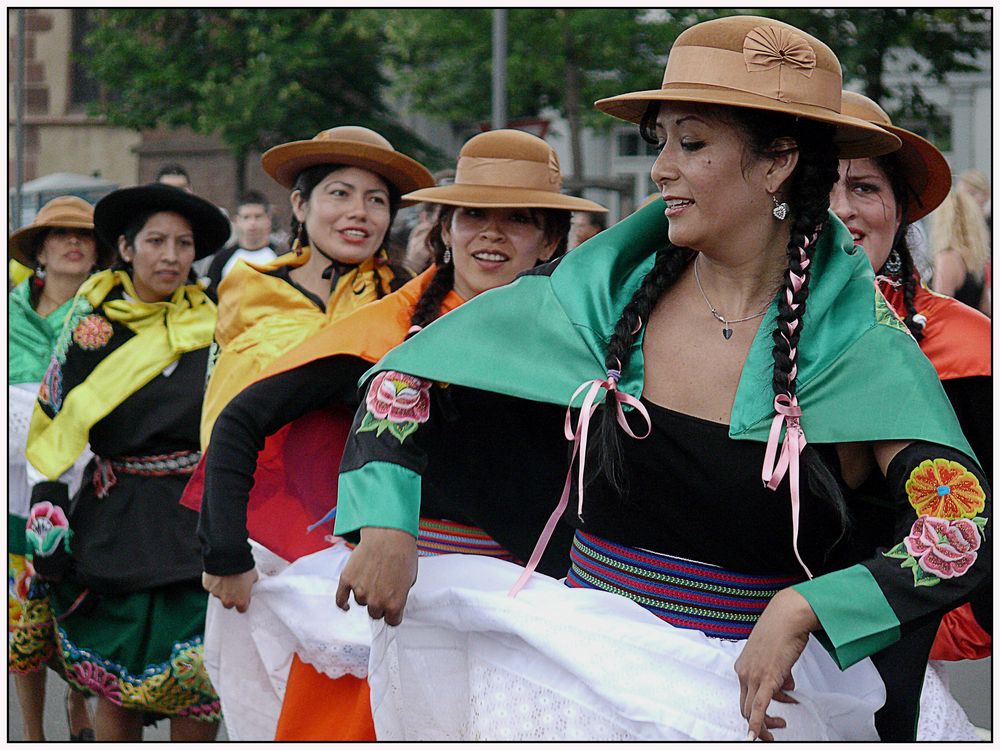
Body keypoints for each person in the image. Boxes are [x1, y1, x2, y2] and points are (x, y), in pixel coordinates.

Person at [333, 16, 989, 741]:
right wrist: (385, 517)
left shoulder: (860, 346)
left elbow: (958, 527)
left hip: (761, 700)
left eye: (693, 142)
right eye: (663, 141)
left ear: (776, 164)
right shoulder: (600, 293)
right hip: (575, 677)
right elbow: (404, 375)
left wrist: (812, 608)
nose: (660, 168)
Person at [194, 129, 606, 740]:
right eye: (472, 216)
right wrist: (223, 549)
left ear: (550, 238)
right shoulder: (386, 329)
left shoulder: (584, 341)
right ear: (445, 228)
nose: (490, 233)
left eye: (517, 219)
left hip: (526, 610)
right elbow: (241, 420)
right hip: (391, 603)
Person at [23, 183, 229, 741]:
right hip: (116, 518)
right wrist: (49, 508)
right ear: (126, 247)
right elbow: (57, 417)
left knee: (199, 684)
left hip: (196, 519)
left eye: (183, 244)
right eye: (156, 241)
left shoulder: (217, 325)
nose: (171, 255)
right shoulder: (91, 329)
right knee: (117, 684)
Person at [832, 90, 991, 739]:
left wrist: (903, 633)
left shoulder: (966, 347)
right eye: (820, 185)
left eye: (865, 187)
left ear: (900, 209)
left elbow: (974, 539)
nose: (842, 208)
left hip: (899, 662)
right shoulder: (719, 334)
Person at [191, 126, 433, 456]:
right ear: (300, 205)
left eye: (376, 199)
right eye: (340, 194)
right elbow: (220, 398)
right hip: (256, 488)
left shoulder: (407, 298)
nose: (359, 212)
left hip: (366, 492)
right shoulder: (247, 288)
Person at [8, 196, 112, 741]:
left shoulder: (110, 315)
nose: (74, 243)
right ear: (40, 249)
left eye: (85, 235)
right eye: (61, 235)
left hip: (90, 502)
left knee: (81, 621)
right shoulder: (7, 315)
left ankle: (80, 711)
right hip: (15, 505)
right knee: (20, 632)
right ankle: (31, 735)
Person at [202, 191, 279, 300]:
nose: (252, 223)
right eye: (246, 217)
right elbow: (210, 299)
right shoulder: (221, 259)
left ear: (268, 218)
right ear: (237, 220)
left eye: (258, 216)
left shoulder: (281, 257)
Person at [930, 188, 991, 316]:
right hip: (976, 330)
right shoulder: (977, 259)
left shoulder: (948, 258)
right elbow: (986, 309)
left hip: (954, 331)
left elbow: (940, 310)